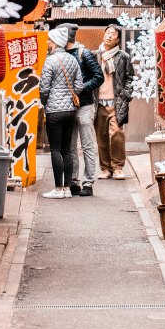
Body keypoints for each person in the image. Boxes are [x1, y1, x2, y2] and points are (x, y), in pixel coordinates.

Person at [56, 23, 103, 197]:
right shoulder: (59, 54)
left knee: (87, 145)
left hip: (84, 105)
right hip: (68, 106)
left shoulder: (84, 53)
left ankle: (88, 182)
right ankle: (73, 181)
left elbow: (99, 77)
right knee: (70, 146)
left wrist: (80, 88)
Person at [38, 26, 84, 199]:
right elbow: (79, 86)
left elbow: (44, 87)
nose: (47, 42)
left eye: (49, 40)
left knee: (55, 149)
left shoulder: (50, 60)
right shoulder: (72, 60)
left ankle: (58, 189)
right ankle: (66, 189)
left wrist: (45, 101)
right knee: (67, 150)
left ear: (55, 41)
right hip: (71, 111)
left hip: (54, 112)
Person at [95, 25, 134, 179]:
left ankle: (118, 167)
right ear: (103, 35)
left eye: (113, 34)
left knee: (117, 134)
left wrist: (126, 94)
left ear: (118, 39)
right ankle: (105, 168)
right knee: (101, 136)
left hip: (116, 101)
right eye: (107, 33)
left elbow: (130, 77)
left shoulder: (123, 56)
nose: (109, 36)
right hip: (98, 103)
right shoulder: (95, 55)